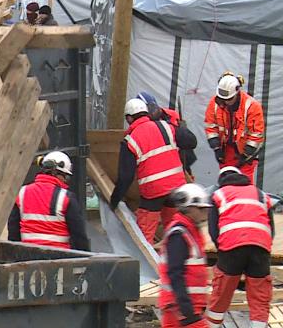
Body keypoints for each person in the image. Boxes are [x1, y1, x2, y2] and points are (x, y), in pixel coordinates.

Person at [110, 98, 188, 244]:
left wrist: (114, 201)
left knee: (145, 240)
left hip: (153, 193)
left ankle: (148, 266)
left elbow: (125, 177)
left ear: (129, 118)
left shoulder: (130, 140)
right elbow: (191, 141)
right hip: (177, 187)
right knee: (177, 232)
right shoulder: (166, 127)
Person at [205, 166, 274, 328]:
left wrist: (222, 252)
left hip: (231, 247)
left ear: (221, 181)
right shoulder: (261, 195)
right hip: (260, 247)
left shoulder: (219, 195)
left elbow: (213, 229)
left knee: (221, 294)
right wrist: (264, 248)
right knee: (260, 297)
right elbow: (271, 229)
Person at [7, 151, 89, 251]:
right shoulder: (65, 198)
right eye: (66, 176)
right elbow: (79, 235)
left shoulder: (21, 193)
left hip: (27, 256)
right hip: (61, 260)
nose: (65, 180)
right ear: (58, 174)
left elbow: (13, 230)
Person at [158, 184, 212, 328]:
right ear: (188, 208)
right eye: (201, 208)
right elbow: (175, 272)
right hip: (181, 307)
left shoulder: (189, 230)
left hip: (186, 306)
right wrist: (186, 307)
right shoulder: (179, 234)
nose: (205, 212)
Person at [205, 73, 265, 184]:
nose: (225, 102)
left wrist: (246, 155)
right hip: (225, 151)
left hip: (245, 152)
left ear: (237, 93)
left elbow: (256, 134)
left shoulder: (252, 106)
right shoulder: (215, 103)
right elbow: (211, 127)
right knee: (226, 183)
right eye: (222, 99)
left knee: (245, 185)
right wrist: (216, 148)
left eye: (229, 99)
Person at [136, 91, 199, 178]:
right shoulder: (143, 125)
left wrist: (182, 129)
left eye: (153, 107)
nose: (153, 112)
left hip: (180, 156)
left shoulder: (170, 115)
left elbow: (186, 140)